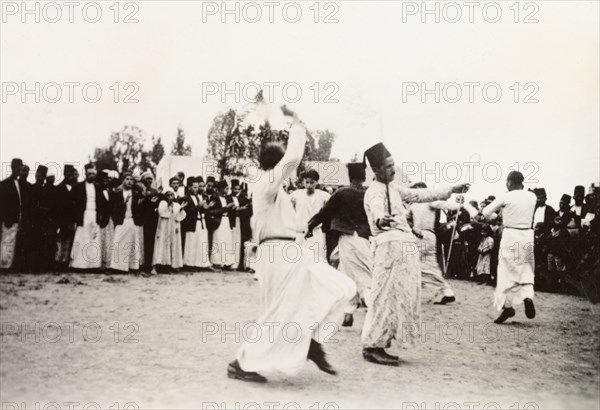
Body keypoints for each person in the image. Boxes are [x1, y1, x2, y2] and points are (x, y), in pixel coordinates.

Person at [228, 106, 355, 383]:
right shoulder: (266, 183)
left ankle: (309, 341)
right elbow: (294, 156)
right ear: (276, 165)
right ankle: (242, 362)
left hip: (289, 252)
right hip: (276, 254)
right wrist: (297, 123)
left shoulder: (275, 191)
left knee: (327, 288)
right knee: (280, 311)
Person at [361, 142, 469, 366]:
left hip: (403, 247)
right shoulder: (374, 191)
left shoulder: (394, 189)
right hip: (389, 247)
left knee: (402, 295)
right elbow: (377, 210)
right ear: (376, 170)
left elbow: (421, 194)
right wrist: (381, 219)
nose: (393, 169)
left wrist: (451, 189)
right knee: (386, 296)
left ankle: (381, 341)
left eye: (393, 165)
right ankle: (373, 346)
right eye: (388, 166)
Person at [306, 162, 372, 327]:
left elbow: (324, 213)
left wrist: (309, 226)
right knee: (351, 274)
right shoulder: (368, 194)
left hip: (348, 237)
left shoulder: (342, 193)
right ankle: (348, 312)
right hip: (364, 237)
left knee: (362, 277)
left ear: (350, 176)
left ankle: (374, 312)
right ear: (364, 177)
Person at [482, 171, 537, 324]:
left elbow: (486, 212)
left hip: (511, 234)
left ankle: (507, 307)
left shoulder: (506, 196)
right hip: (527, 234)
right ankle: (527, 296)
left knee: (505, 271)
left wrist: (497, 215)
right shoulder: (532, 196)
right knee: (526, 268)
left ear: (510, 182)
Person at [407, 183, 472, 304]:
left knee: (411, 264)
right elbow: (445, 204)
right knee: (430, 266)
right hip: (430, 236)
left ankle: (411, 290)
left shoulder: (418, 204)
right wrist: (460, 205)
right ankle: (447, 291)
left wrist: (459, 204)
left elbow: (405, 219)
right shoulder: (425, 203)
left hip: (420, 236)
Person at [70, 163, 109, 270]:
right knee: (82, 238)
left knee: (93, 239)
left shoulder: (98, 187)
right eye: (89, 174)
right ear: (85, 174)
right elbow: (71, 203)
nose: (91, 176)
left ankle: (93, 265)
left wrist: (102, 217)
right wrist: (75, 218)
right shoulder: (78, 187)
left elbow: (104, 204)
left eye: (93, 174)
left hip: (94, 215)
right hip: (83, 216)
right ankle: (79, 265)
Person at [290, 169, 331, 262]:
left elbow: (330, 212)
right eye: (307, 182)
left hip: (316, 233)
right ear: (303, 181)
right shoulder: (296, 195)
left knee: (316, 260)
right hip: (299, 233)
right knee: (298, 261)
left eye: (312, 182)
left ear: (317, 182)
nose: (309, 185)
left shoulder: (324, 196)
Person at [109, 172, 144, 272]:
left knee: (132, 244)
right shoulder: (117, 193)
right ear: (123, 180)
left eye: (131, 180)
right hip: (121, 221)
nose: (129, 181)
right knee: (118, 242)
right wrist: (124, 202)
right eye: (127, 179)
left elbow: (138, 209)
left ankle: (132, 267)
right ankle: (117, 267)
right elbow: (114, 209)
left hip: (132, 221)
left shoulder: (136, 194)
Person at [151, 187, 187, 274]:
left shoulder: (177, 205)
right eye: (168, 195)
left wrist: (181, 209)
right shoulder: (162, 203)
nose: (170, 197)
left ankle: (171, 266)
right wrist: (168, 205)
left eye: (172, 195)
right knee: (161, 245)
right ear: (165, 196)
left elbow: (179, 216)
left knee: (173, 245)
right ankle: (156, 266)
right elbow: (162, 213)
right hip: (164, 228)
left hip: (173, 228)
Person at [182, 177, 214, 270]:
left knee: (201, 243)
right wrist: (198, 206)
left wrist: (206, 207)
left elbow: (201, 210)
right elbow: (186, 212)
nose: (197, 189)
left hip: (201, 222)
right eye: (195, 187)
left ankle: (201, 264)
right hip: (192, 223)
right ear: (189, 187)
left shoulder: (198, 196)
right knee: (191, 243)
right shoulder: (185, 198)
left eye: (197, 187)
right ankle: (189, 264)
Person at [0, 158, 25, 270]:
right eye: (19, 167)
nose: (21, 169)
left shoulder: (19, 183)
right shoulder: (5, 184)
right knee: (6, 243)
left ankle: (9, 265)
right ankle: (3, 265)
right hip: (9, 220)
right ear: (14, 168)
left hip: (17, 218)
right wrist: (6, 218)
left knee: (12, 243)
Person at [54, 164, 78, 270]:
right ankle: (58, 263)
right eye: (68, 174)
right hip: (62, 219)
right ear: (64, 174)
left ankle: (66, 262)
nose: (70, 176)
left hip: (72, 219)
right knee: (60, 242)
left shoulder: (76, 188)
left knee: (69, 241)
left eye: (72, 174)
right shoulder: (59, 188)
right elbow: (57, 207)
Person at [209, 180, 236, 270]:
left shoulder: (228, 198)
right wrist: (225, 208)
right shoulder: (215, 198)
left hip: (227, 221)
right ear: (221, 189)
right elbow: (212, 211)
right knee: (218, 240)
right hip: (218, 221)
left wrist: (232, 208)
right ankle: (217, 262)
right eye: (226, 188)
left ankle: (227, 263)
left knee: (227, 241)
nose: (228, 190)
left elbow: (230, 210)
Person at [532, 188, 556, 290]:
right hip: (534, 237)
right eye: (538, 198)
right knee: (534, 261)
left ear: (545, 198)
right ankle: (535, 284)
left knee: (544, 262)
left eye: (541, 198)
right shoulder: (533, 209)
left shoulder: (550, 210)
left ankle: (545, 285)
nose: (539, 200)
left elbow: (552, 225)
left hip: (545, 239)